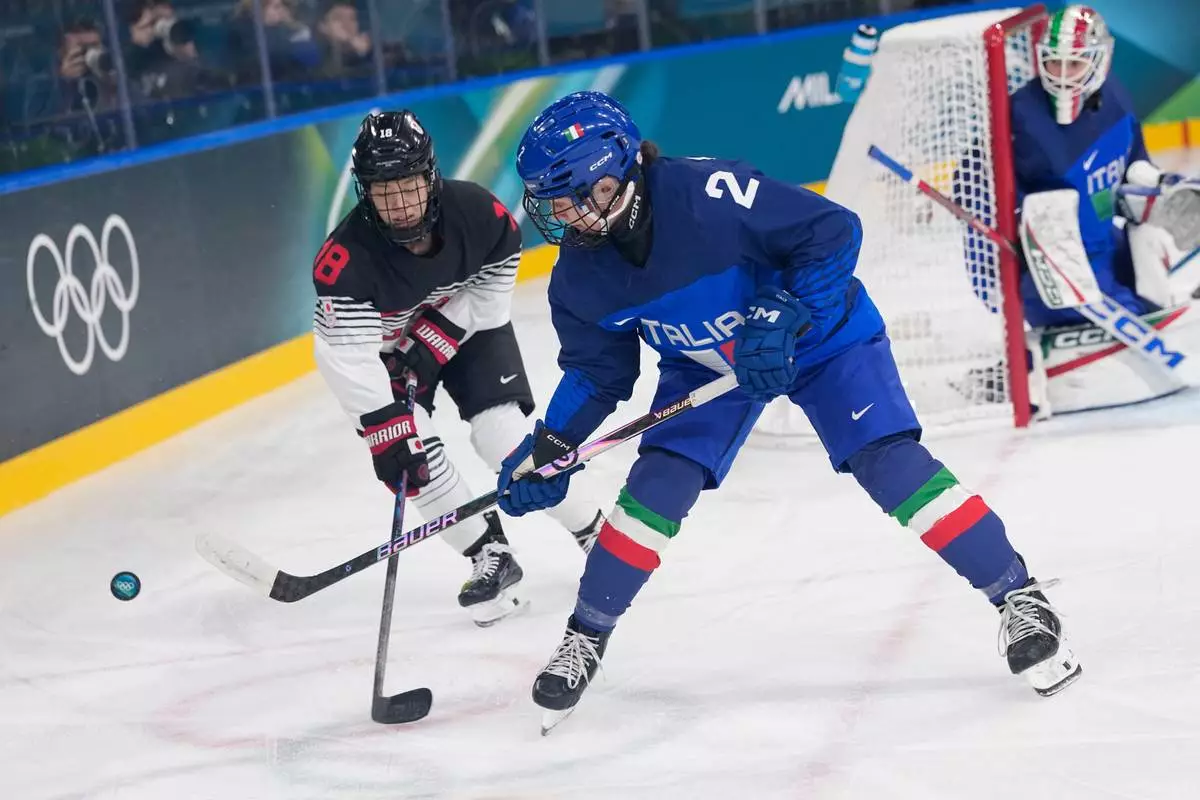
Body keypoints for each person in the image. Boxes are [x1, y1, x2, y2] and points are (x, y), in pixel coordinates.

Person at [498, 91, 1082, 730]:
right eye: (554, 204)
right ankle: (587, 633)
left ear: (622, 171)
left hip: (821, 338)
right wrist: (551, 445)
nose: (568, 217)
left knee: (889, 464)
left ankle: (1019, 596)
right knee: (656, 487)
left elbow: (832, 232)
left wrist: (785, 310)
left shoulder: (710, 194)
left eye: (579, 195)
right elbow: (596, 372)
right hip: (707, 368)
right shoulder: (579, 280)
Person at [311, 110, 606, 626]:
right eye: (384, 191)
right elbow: (346, 356)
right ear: (365, 191)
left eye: (408, 185)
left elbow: (490, 299)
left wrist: (431, 341)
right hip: (386, 359)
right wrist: (386, 426)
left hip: (467, 333)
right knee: (411, 456)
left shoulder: (479, 213)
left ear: (429, 175)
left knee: (503, 436)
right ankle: (489, 553)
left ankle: (593, 530)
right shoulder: (344, 259)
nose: (400, 205)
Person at [1005, 5, 1199, 413]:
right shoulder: (1018, 115)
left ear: (1099, 61)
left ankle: (1147, 306)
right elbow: (974, 184)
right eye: (1053, 62)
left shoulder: (1116, 97)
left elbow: (1134, 167)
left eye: (1073, 64)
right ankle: (1033, 361)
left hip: (1106, 248)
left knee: (1151, 244)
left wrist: (1160, 187)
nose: (1060, 74)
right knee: (1135, 309)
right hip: (1054, 272)